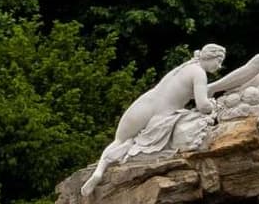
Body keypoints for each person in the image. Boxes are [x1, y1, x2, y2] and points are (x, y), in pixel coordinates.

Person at [90, 44, 227, 182]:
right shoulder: (199, 73)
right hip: (162, 115)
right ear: (210, 57)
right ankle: (117, 158)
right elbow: (202, 105)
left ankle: (99, 170)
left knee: (119, 140)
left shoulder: (184, 67)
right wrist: (215, 106)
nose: (219, 66)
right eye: (219, 60)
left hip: (145, 103)